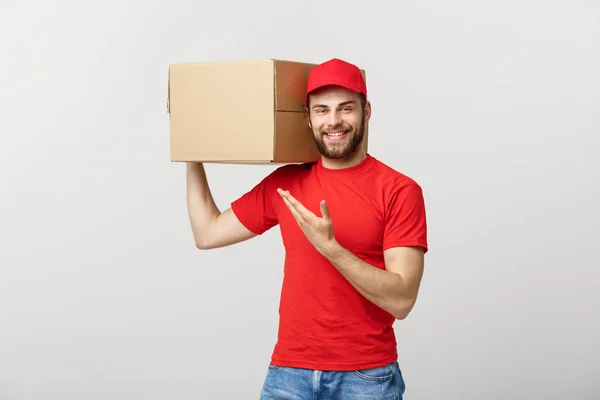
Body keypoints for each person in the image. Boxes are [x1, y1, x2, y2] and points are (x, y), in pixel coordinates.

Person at [185, 58, 428, 399]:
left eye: (346, 109)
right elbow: (207, 233)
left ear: (366, 111)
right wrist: (190, 152)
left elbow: (402, 300)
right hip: (290, 374)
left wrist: (331, 248)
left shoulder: (399, 190)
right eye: (322, 110)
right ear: (307, 118)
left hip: (366, 377)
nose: (334, 121)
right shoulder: (287, 183)